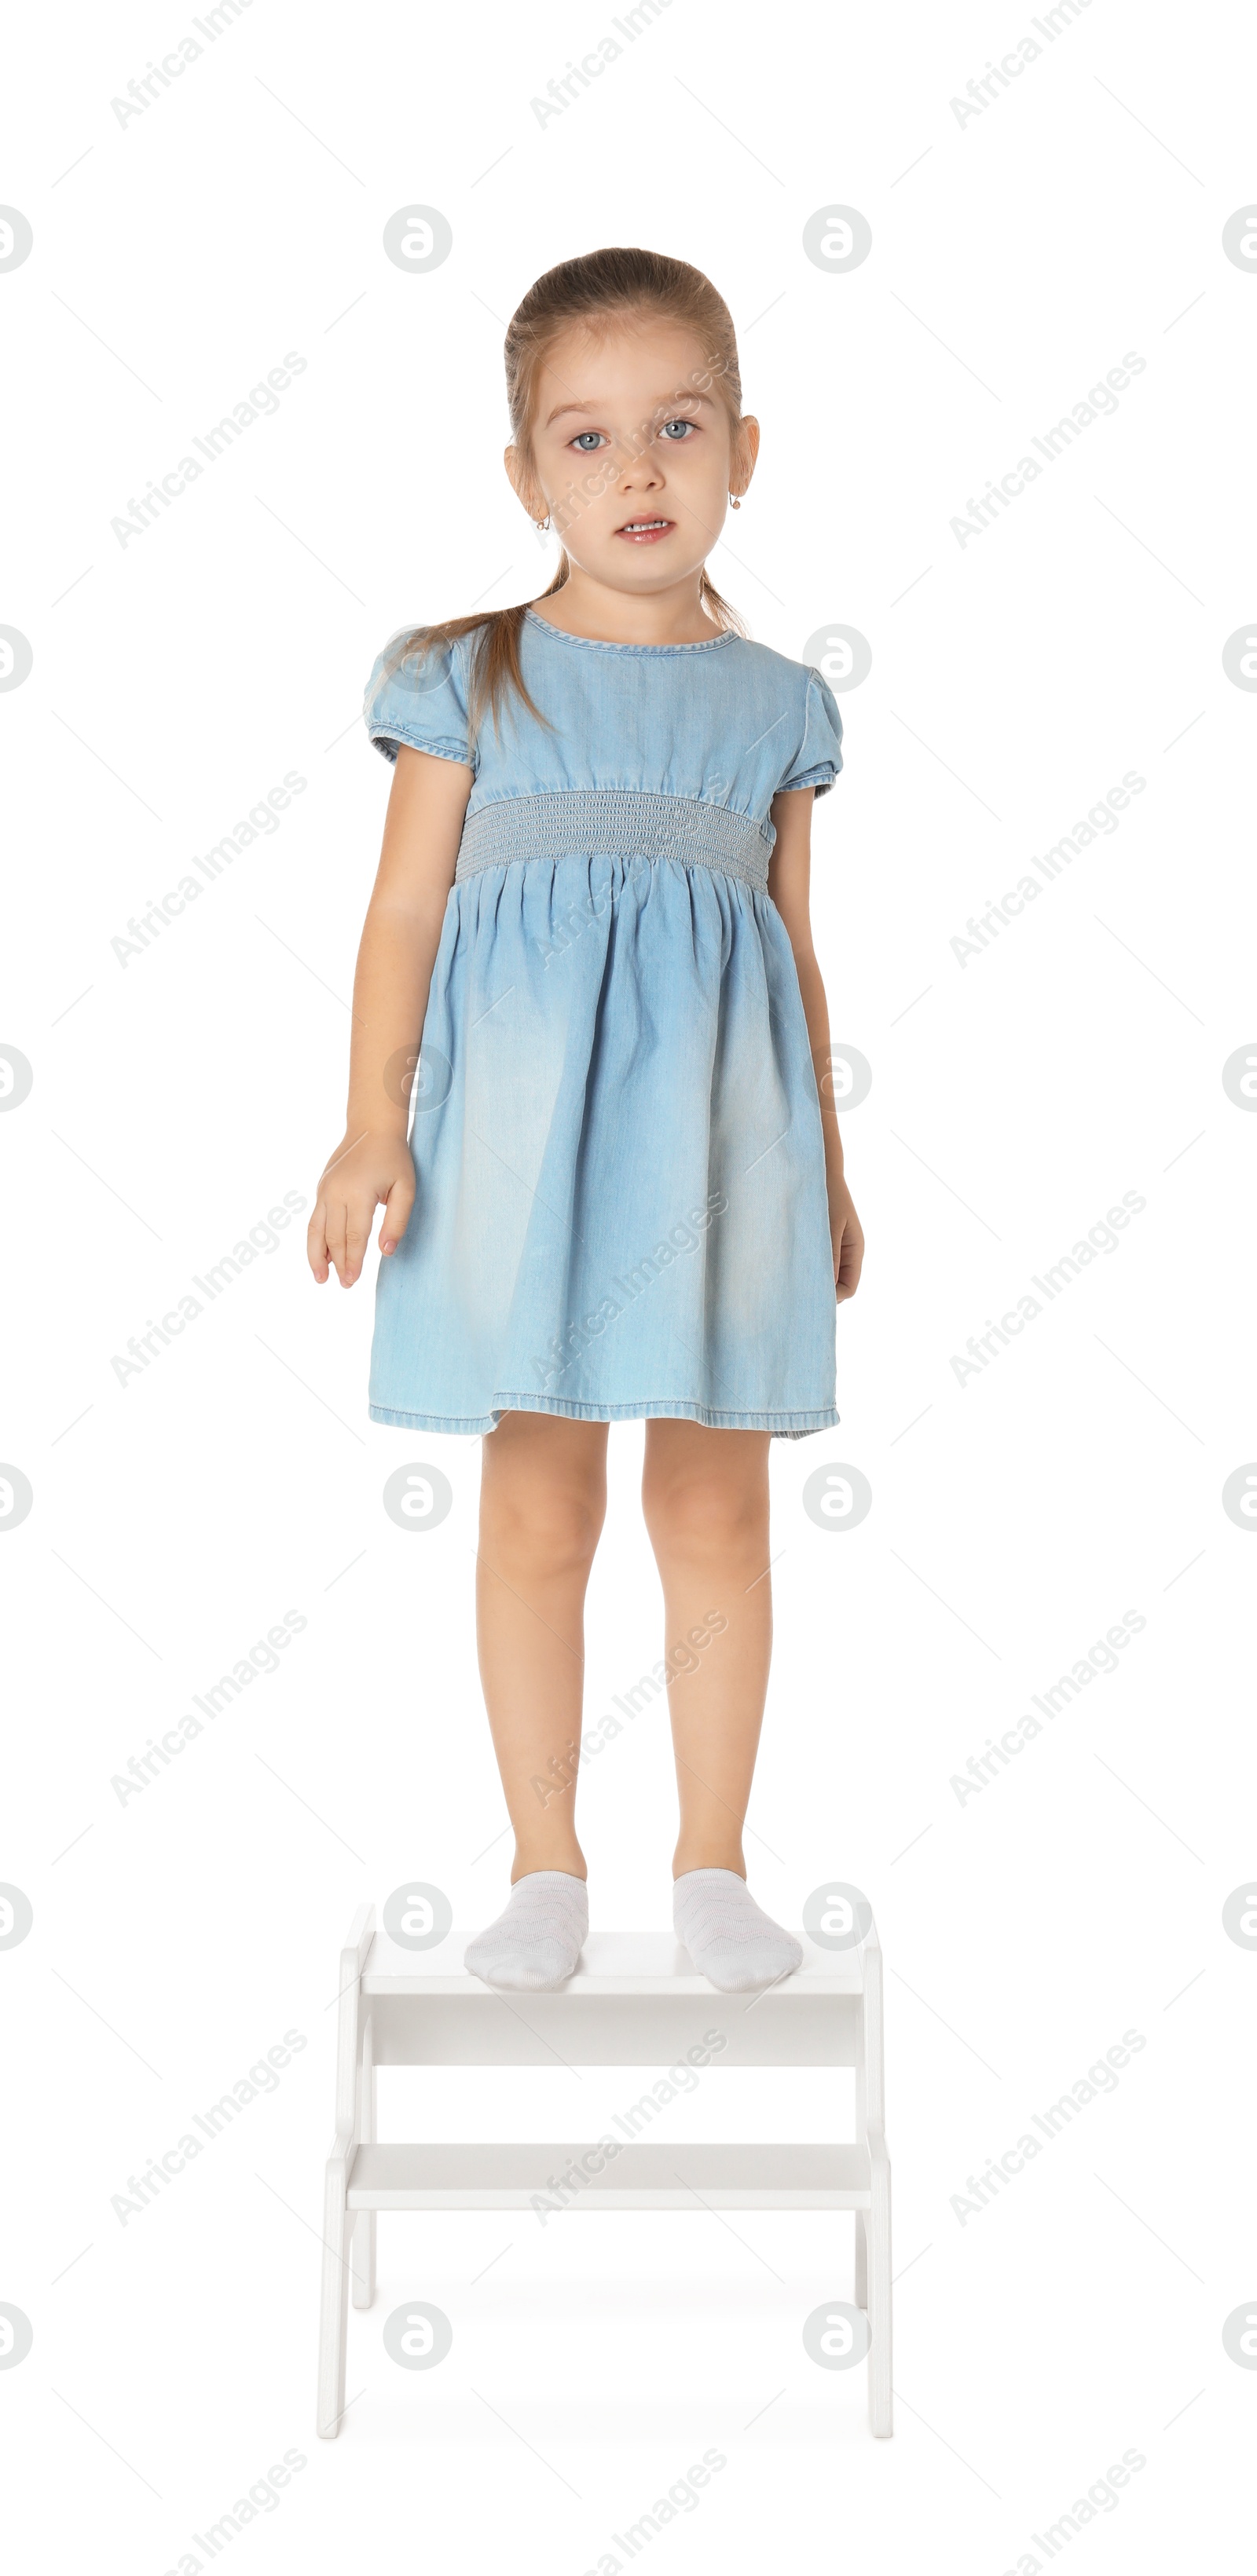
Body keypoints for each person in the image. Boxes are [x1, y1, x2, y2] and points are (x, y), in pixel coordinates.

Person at [307, 247, 863, 1994]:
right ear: (525, 474)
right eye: (588, 437)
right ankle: (545, 1856)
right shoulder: (467, 680)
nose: (636, 472)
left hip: (719, 1159)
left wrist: (829, 1167)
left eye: (676, 428)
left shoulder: (775, 704)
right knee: (537, 1507)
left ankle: (711, 1856)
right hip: (515, 1158)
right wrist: (364, 1127)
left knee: (714, 1508)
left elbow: (786, 943)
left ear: (741, 451)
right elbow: (401, 917)